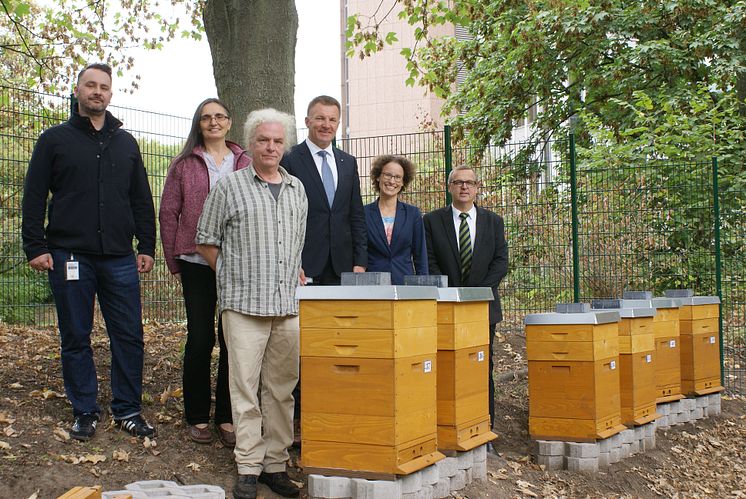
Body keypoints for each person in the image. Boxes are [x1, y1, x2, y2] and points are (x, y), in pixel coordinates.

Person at [21, 62, 157, 440]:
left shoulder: (126, 143)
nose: (98, 92)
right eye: (91, 85)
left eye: (104, 87)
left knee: (128, 335)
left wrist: (146, 245)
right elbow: (34, 196)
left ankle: (127, 410)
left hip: (119, 257)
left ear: (110, 95)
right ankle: (84, 410)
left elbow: (141, 200)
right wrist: (35, 245)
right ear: (78, 91)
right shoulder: (54, 140)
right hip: (69, 256)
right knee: (76, 336)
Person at [196, 108, 306, 499]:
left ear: (285, 145)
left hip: (287, 308)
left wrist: (294, 269)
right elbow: (205, 239)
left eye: (277, 141)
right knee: (243, 388)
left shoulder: (297, 190)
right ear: (251, 143)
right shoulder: (229, 187)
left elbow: (295, 245)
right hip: (243, 305)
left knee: (281, 389)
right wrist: (229, 273)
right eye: (263, 140)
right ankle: (248, 466)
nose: (271, 147)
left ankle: (274, 465)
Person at [159, 98, 250, 447]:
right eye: (206, 117)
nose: (213, 122)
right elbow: (169, 213)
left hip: (237, 265)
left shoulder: (244, 161)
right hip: (196, 263)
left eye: (219, 117)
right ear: (199, 124)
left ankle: (227, 417)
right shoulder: (184, 164)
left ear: (229, 122)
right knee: (200, 339)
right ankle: (196, 415)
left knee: (233, 341)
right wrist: (173, 259)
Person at [423, 165, 508, 430]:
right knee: (446, 366)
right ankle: (446, 426)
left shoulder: (493, 221)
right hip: (446, 307)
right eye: (458, 182)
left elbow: (500, 261)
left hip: (483, 308)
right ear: (449, 187)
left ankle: (485, 427)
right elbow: (430, 261)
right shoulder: (432, 221)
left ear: (477, 187)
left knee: (482, 367)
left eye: (469, 182)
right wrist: (451, 294)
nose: (464, 187)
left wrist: (476, 295)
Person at [280, 95, 367, 285]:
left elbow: (356, 214)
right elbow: (283, 217)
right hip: (303, 265)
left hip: (343, 266)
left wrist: (360, 261)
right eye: (320, 118)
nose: (326, 125)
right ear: (307, 121)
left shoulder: (348, 163)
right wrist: (291, 261)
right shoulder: (290, 159)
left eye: (332, 119)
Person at [364, 155, 428, 284]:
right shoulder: (363, 213)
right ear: (378, 177)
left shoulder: (413, 214)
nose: (392, 181)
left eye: (398, 177)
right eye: (387, 175)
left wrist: (424, 287)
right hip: (372, 284)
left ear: (403, 182)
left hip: (404, 284)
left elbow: (420, 256)